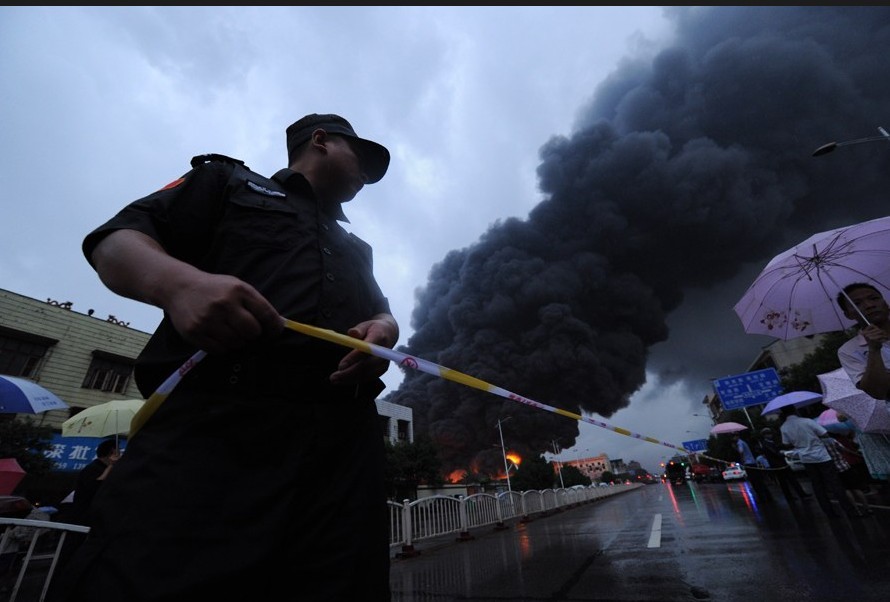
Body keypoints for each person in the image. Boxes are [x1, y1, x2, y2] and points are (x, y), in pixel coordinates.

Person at [52, 113, 400, 602]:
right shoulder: (226, 182)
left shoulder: (356, 247)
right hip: (213, 436)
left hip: (343, 452)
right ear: (319, 140)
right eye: (360, 157)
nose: (366, 174)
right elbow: (115, 242)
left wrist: (384, 331)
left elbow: (381, 312)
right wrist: (179, 284)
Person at [778, 405, 863, 519]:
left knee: (818, 486)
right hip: (822, 456)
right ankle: (850, 511)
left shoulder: (784, 427)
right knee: (835, 484)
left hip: (806, 459)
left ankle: (829, 513)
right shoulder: (806, 421)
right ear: (795, 410)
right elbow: (824, 434)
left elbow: (786, 443)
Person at [836, 282, 890, 400]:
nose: (869, 305)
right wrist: (874, 350)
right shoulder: (848, 351)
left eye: (874, 298)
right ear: (848, 315)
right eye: (857, 304)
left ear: (886, 304)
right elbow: (878, 392)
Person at [758, 427, 811, 503]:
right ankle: (793, 496)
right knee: (786, 482)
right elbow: (775, 453)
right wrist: (783, 454)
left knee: (790, 480)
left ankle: (800, 495)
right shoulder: (766, 444)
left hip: (780, 464)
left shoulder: (771, 442)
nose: (770, 435)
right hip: (778, 466)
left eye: (770, 433)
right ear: (764, 435)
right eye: (768, 434)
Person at [732, 432, 774, 503]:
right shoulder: (743, 442)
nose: (733, 438)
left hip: (749, 464)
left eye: (734, 436)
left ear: (737, 436)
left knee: (755, 482)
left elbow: (741, 452)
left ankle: (762, 498)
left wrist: (736, 449)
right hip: (752, 463)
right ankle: (768, 497)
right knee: (759, 480)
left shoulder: (740, 443)